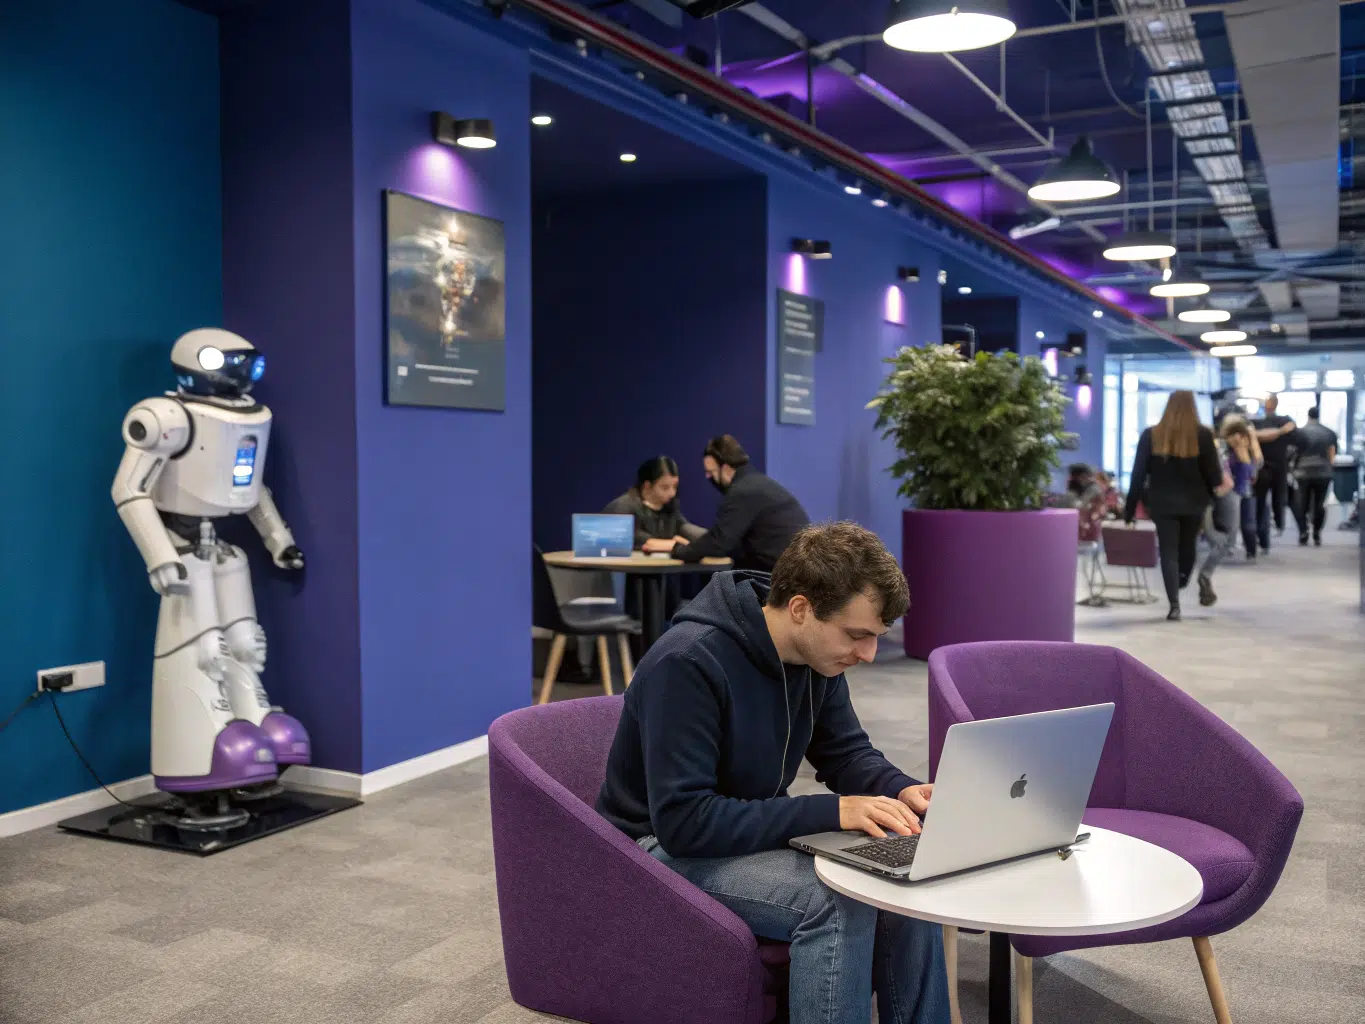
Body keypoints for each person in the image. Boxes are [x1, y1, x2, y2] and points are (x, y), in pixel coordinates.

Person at [597, 522, 949, 1024]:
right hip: (655, 846)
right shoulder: (687, 662)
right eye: (857, 635)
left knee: (903, 877)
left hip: (742, 829)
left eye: (876, 638)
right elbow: (683, 822)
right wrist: (833, 811)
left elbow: (847, 755)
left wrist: (903, 790)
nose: (869, 654)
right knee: (836, 899)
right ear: (802, 609)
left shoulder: (815, 659)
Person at [1124, 390, 1223, 621]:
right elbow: (1214, 476)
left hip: (1161, 503)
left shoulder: (1151, 435)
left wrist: (1130, 510)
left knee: (1168, 552)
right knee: (1187, 549)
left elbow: (1137, 475)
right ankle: (1180, 583)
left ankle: (1174, 605)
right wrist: (1212, 497)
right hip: (1194, 503)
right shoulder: (1204, 436)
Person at [671, 435, 811, 573]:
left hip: (778, 574)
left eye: (710, 472)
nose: (708, 477)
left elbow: (719, 542)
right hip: (796, 567)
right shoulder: (757, 483)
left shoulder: (741, 492)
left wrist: (681, 551)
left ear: (725, 468)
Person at [1197, 416, 1261, 607]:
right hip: (1228, 496)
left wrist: (1252, 439)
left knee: (1225, 539)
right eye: (1232, 435)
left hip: (1235, 496)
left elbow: (1255, 469)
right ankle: (1205, 575)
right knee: (1226, 540)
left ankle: (1205, 575)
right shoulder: (1225, 452)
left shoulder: (1243, 451)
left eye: (1238, 435)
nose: (1235, 438)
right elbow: (1223, 476)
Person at [603, 456, 707, 554]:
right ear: (647, 486)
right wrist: (678, 545)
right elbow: (642, 541)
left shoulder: (669, 507)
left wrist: (711, 540)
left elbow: (686, 528)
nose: (672, 493)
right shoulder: (623, 507)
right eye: (665, 487)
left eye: (675, 486)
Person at [1253, 394, 1298, 552]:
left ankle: (1266, 532)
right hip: (1274, 466)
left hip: (1264, 467)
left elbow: (1257, 436)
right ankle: (1276, 527)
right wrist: (1280, 432)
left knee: (1265, 502)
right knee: (1276, 499)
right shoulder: (1284, 422)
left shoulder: (1256, 423)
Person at [1290, 406, 1338, 546]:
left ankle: (1303, 532)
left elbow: (1293, 453)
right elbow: (1332, 454)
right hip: (1323, 472)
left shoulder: (1300, 433)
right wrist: (1329, 467)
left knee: (1300, 503)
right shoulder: (1329, 433)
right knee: (1319, 504)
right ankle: (1317, 533)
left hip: (1303, 472)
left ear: (1308, 415)